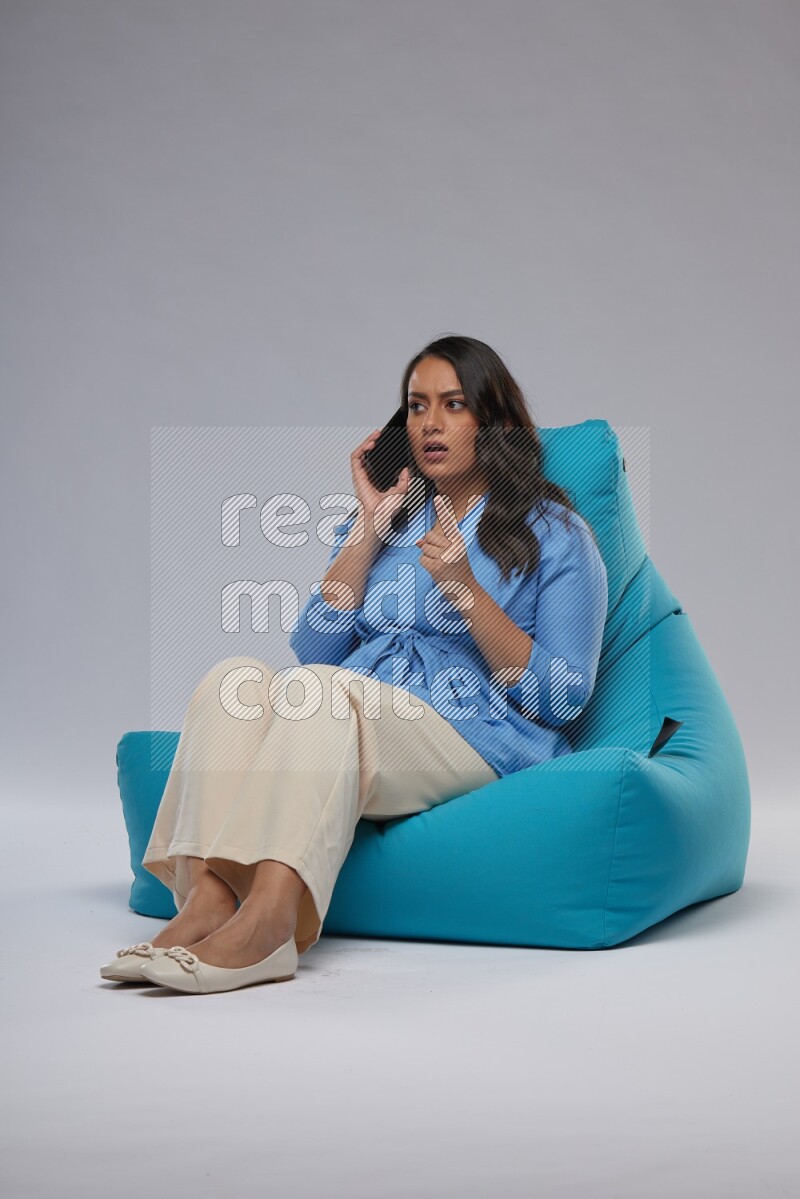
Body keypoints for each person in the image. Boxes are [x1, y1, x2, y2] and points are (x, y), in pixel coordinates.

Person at [99, 334, 608, 994]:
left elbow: (562, 696)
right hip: (356, 713)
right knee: (233, 682)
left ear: (495, 421)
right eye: (417, 404)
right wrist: (369, 525)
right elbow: (314, 649)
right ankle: (202, 906)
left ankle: (267, 928)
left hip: (476, 732)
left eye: (453, 404)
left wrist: (464, 588)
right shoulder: (393, 519)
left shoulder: (557, 534)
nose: (429, 422)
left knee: (321, 693)